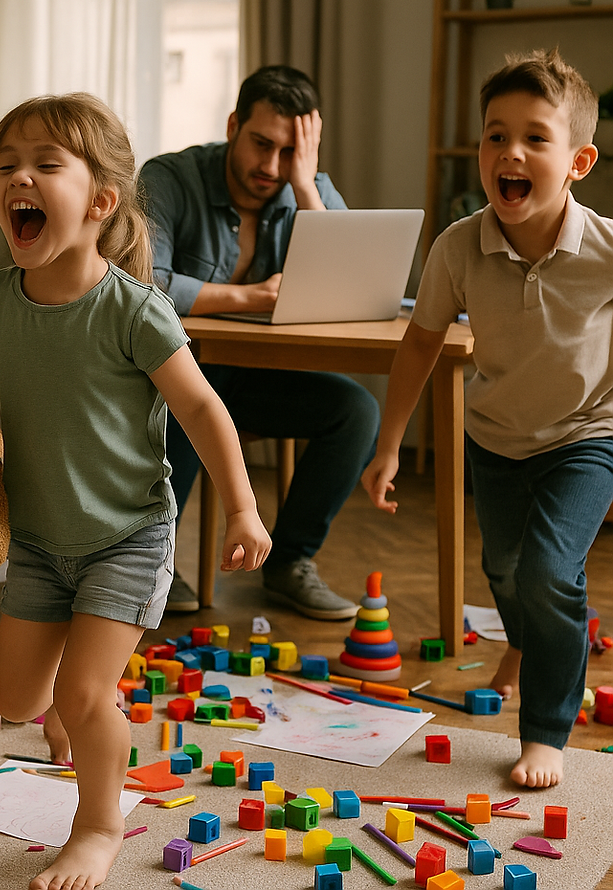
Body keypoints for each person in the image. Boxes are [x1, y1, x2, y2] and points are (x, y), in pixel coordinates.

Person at [0, 93, 270, 890]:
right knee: (22, 701)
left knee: (87, 695)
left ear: (99, 203)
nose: (18, 177)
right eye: (6, 165)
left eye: (44, 164)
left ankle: (98, 823)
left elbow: (202, 407)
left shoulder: (134, 311)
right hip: (39, 537)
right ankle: (75, 719)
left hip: (128, 534)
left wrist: (241, 505)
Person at [362, 48, 605, 789]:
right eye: (496, 135)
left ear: (578, 162)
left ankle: (545, 730)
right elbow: (422, 342)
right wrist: (390, 444)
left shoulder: (605, 251)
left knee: (546, 570)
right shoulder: (459, 246)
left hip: (588, 438)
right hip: (495, 439)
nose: (511, 152)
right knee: (505, 569)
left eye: (536, 137)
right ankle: (526, 646)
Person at [140, 64, 379, 618]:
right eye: (261, 144)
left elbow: (351, 287)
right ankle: (155, 559)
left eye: (288, 152)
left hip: (259, 378)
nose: (271, 166)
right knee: (190, 390)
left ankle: (289, 561)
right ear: (233, 125)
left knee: (357, 412)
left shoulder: (306, 188)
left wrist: (306, 186)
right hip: (173, 375)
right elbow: (144, 282)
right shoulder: (169, 179)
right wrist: (254, 297)